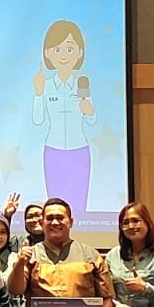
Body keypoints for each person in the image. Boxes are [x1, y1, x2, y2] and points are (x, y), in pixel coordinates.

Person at [32, 19, 95, 217]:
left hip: (79, 149)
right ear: (47, 54)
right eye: (57, 49)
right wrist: (38, 93)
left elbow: (92, 121)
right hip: (54, 150)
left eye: (69, 49)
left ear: (80, 53)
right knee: (55, 205)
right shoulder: (47, 86)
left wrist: (88, 110)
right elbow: (37, 119)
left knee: (78, 206)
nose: (63, 55)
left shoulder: (81, 84)